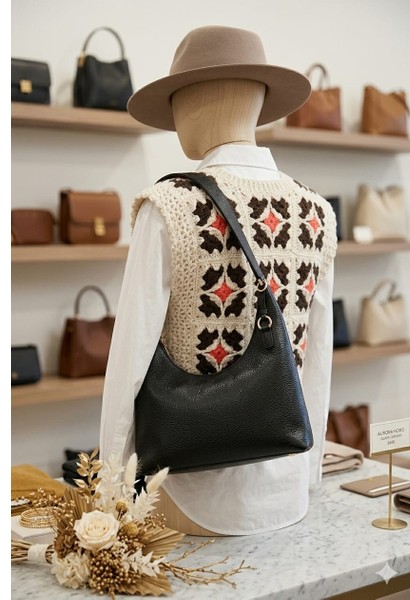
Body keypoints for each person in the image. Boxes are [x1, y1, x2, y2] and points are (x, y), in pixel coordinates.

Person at [100, 25, 337, 536]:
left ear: (194, 103)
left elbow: (128, 362)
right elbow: (317, 361)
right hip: (287, 488)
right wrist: (310, 471)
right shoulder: (316, 212)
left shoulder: (170, 206)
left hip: (190, 494)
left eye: (175, 106)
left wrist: (111, 493)